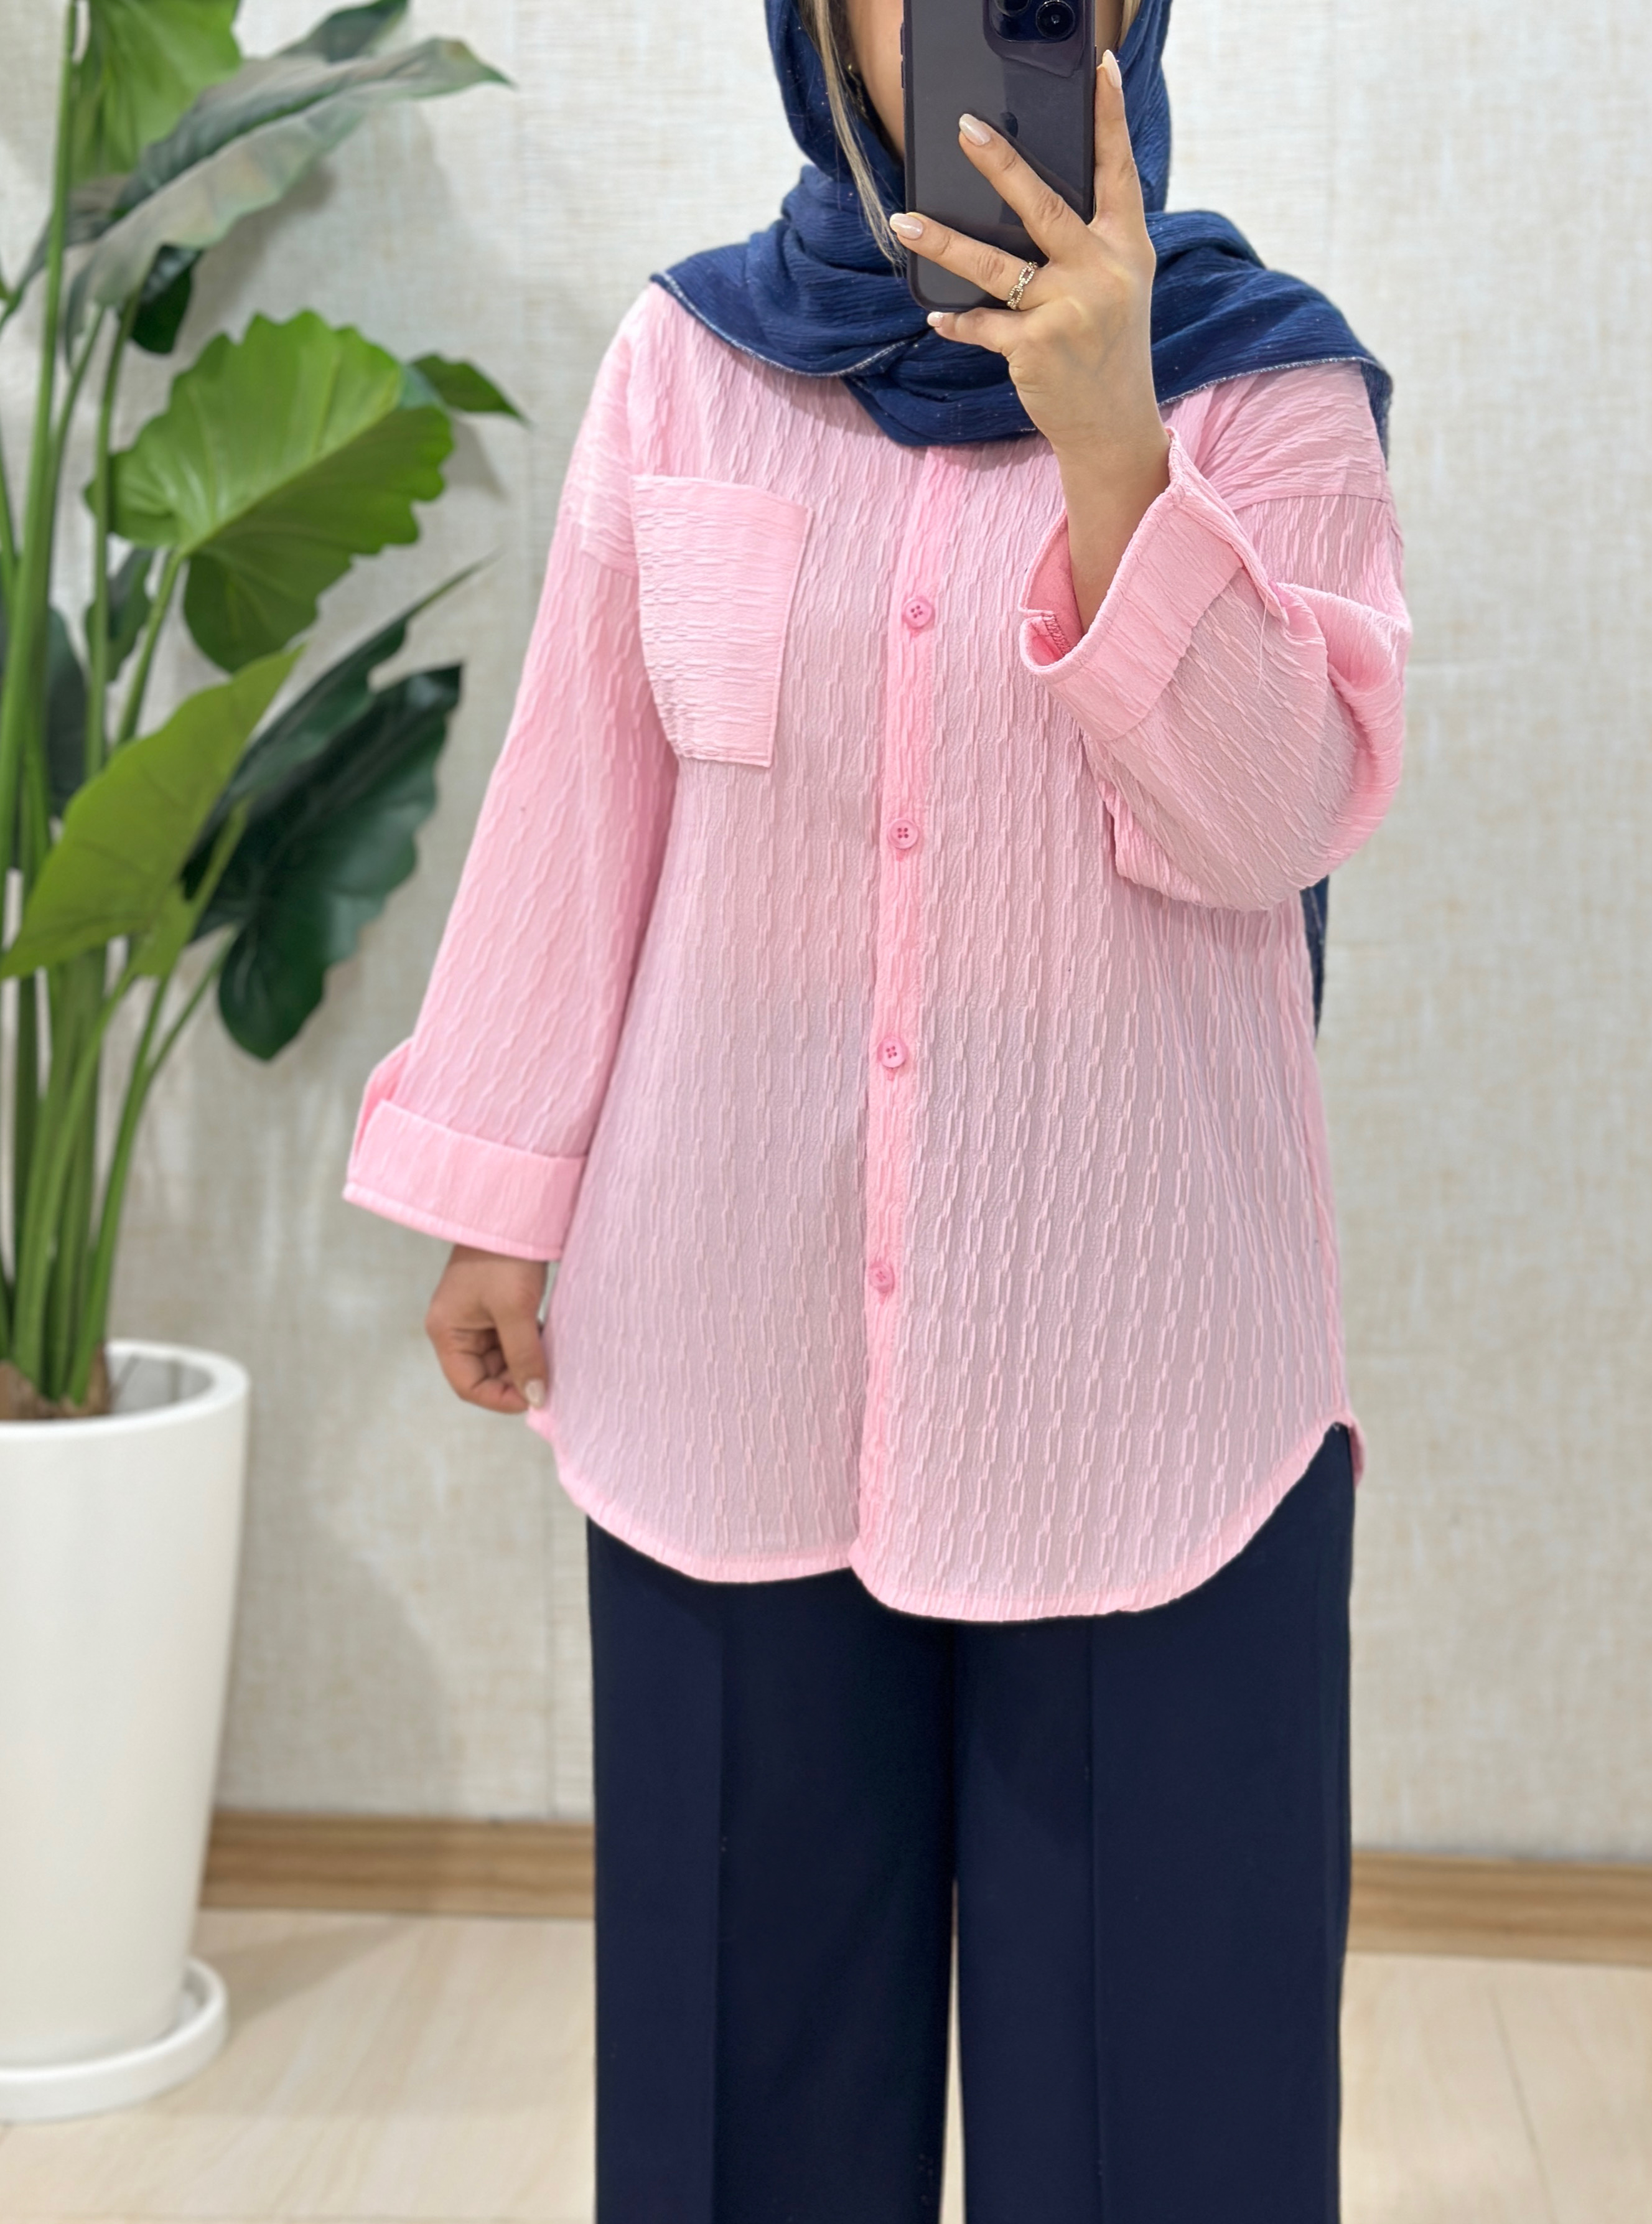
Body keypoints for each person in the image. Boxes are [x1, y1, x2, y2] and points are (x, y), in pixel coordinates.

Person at [344, 0, 1409, 2213]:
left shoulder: (1266, 385)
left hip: (1142, 1398)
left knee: (1164, 2137)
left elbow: (1264, 820)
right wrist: (500, 1188)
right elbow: (584, 794)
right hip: (723, 1347)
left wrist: (1115, 455)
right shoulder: (690, 366)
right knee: (743, 2107)